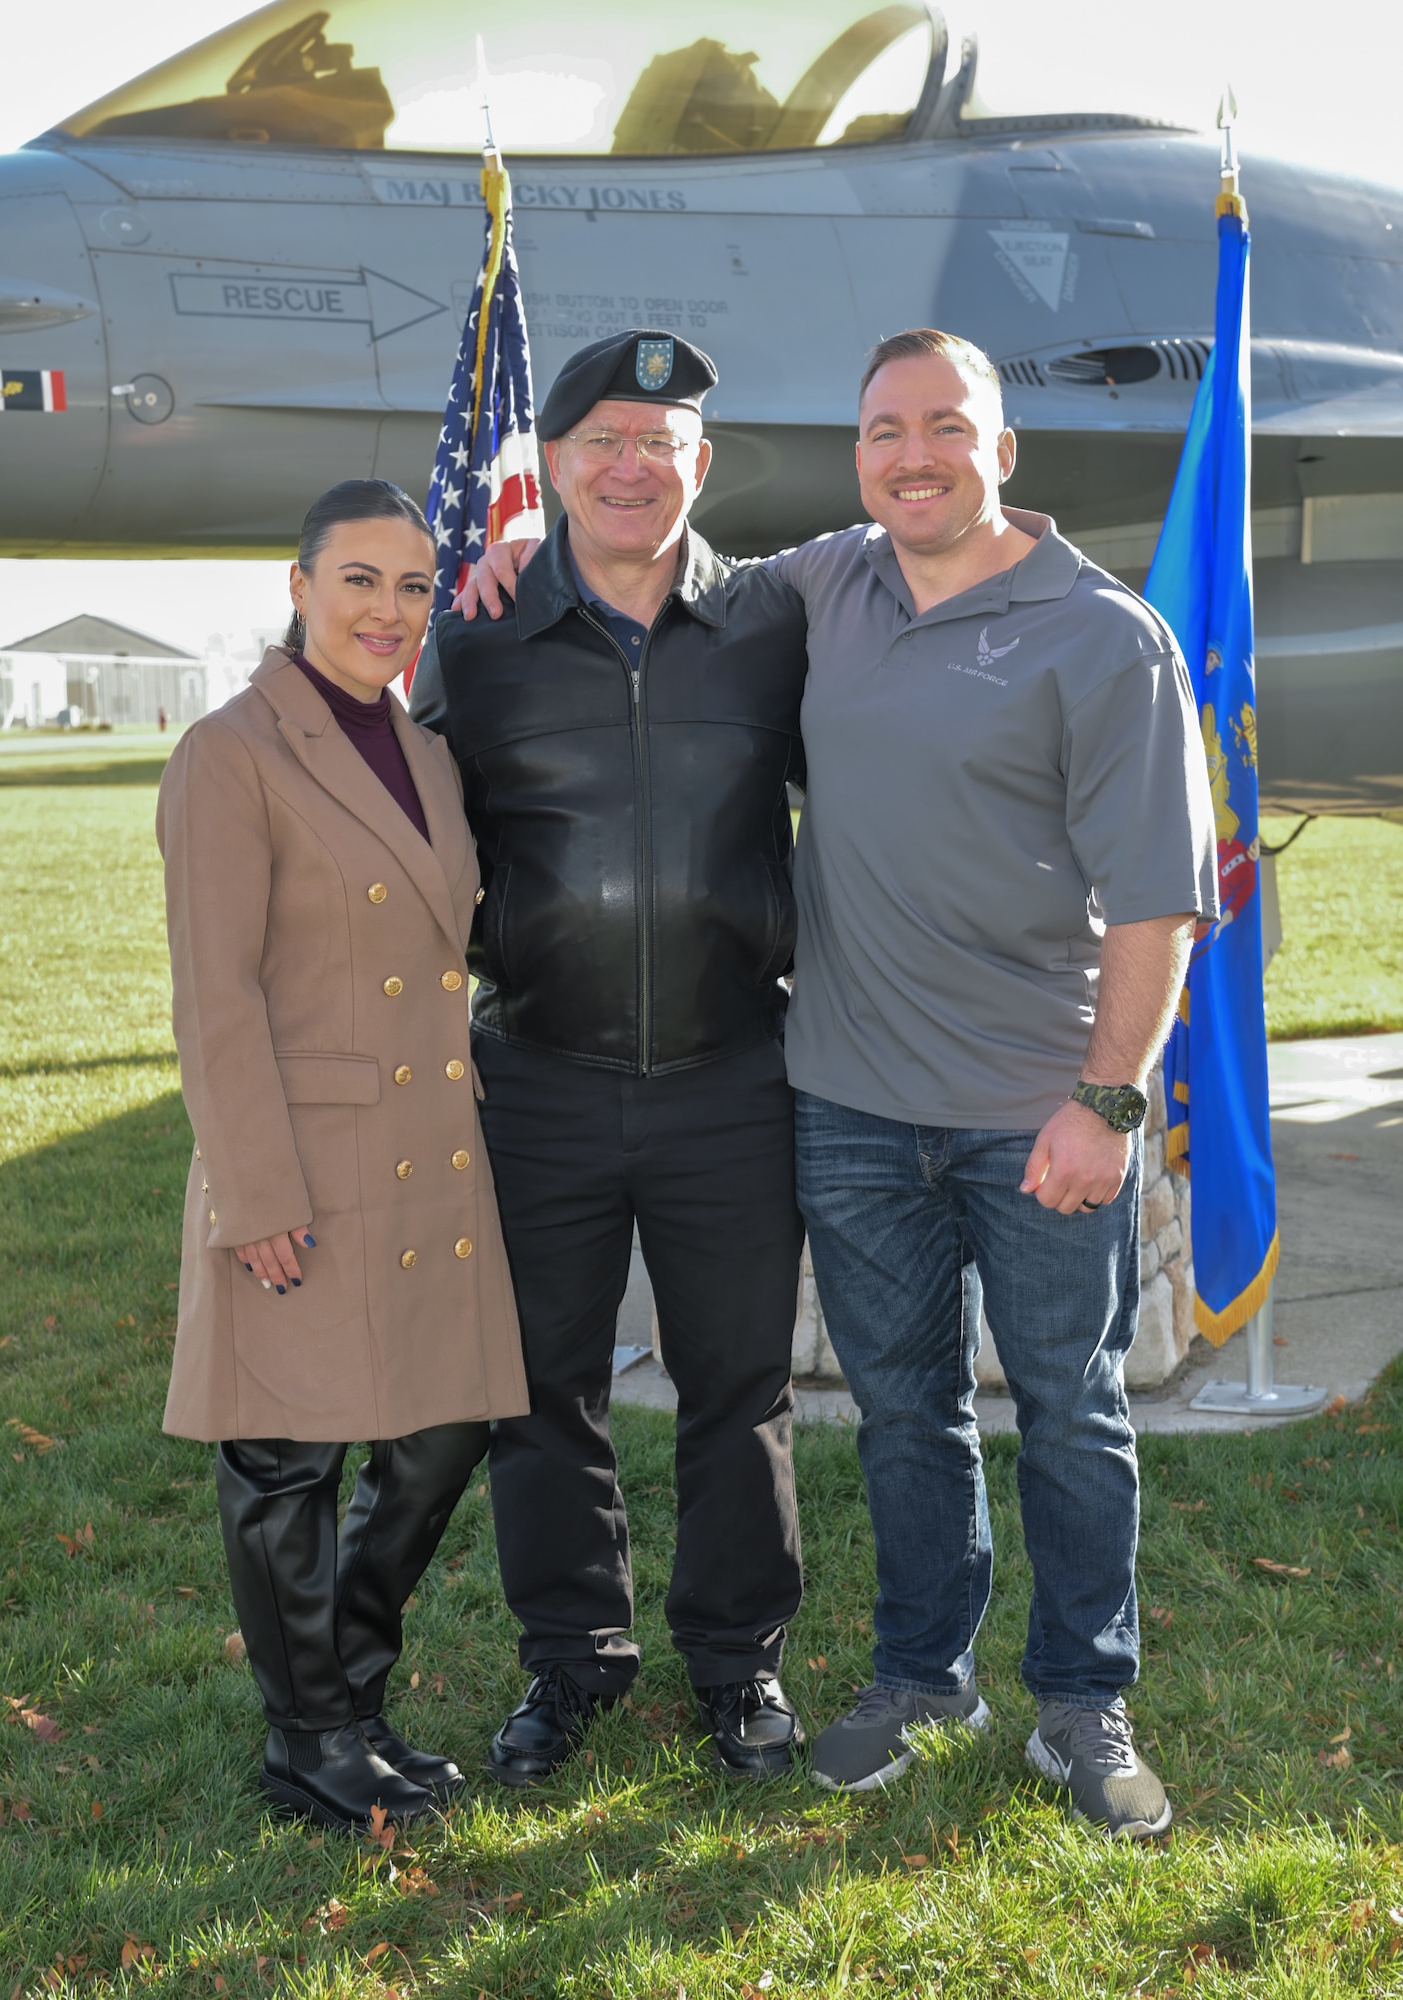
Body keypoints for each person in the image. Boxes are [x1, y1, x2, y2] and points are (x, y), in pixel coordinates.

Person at [461, 327, 1216, 1839]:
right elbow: (632, 551)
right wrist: (522, 548)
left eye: (948, 425)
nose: (914, 454)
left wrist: (1111, 1100)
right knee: (901, 1413)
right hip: (846, 1102)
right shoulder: (821, 587)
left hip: (1027, 1108)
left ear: (1003, 450)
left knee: (1066, 1412)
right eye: (885, 429)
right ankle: (917, 1676)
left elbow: (1159, 899)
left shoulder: (1098, 631)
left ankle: (1080, 1702)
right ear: (855, 454)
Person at [410, 331, 810, 1784]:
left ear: (703, 464)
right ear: (559, 464)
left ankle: (738, 1667)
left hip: (732, 1077)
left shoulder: (776, 623)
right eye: (603, 442)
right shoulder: (478, 634)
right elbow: (386, 823)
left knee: (738, 1387)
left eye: (663, 440)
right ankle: (571, 1660)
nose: (632, 466)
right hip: (539, 1078)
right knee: (541, 1387)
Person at [156, 478, 529, 1831]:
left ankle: (347, 1688)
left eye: (413, 585)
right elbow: (216, 995)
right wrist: (254, 1190)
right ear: (301, 586)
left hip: (426, 1152)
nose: (388, 610)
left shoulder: (421, 752)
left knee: (443, 1432)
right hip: (301, 1161)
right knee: (286, 1464)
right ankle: (308, 1736)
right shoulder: (231, 752)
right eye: (359, 580)